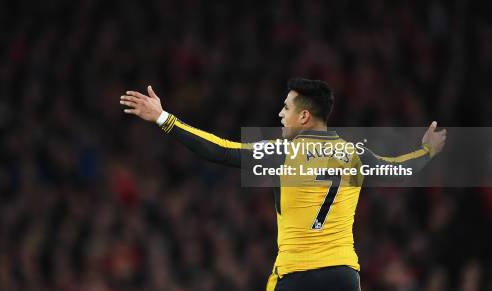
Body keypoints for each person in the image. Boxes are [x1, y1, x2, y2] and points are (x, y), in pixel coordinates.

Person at [120, 78, 446, 291]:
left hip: (296, 276)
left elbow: (219, 150)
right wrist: (428, 150)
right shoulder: (353, 153)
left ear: (304, 117)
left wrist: (163, 118)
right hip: (343, 275)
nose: (280, 114)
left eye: (286, 108)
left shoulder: (284, 152)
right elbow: (401, 170)